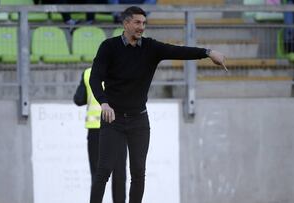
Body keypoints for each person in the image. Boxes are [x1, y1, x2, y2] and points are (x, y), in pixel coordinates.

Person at [89, 6, 226, 203]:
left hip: (139, 120)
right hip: (114, 119)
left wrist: (208, 52)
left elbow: (178, 51)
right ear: (126, 23)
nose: (141, 27)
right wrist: (103, 103)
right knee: (103, 171)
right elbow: (95, 79)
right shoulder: (108, 47)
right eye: (137, 22)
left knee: (138, 172)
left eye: (144, 23)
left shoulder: (151, 48)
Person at [73, 67, 124, 203]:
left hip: (95, 131)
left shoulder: (88, 73)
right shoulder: (121, 70)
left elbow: (78, 99)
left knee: (97, 174)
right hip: (117, 130)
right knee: (119, 174)